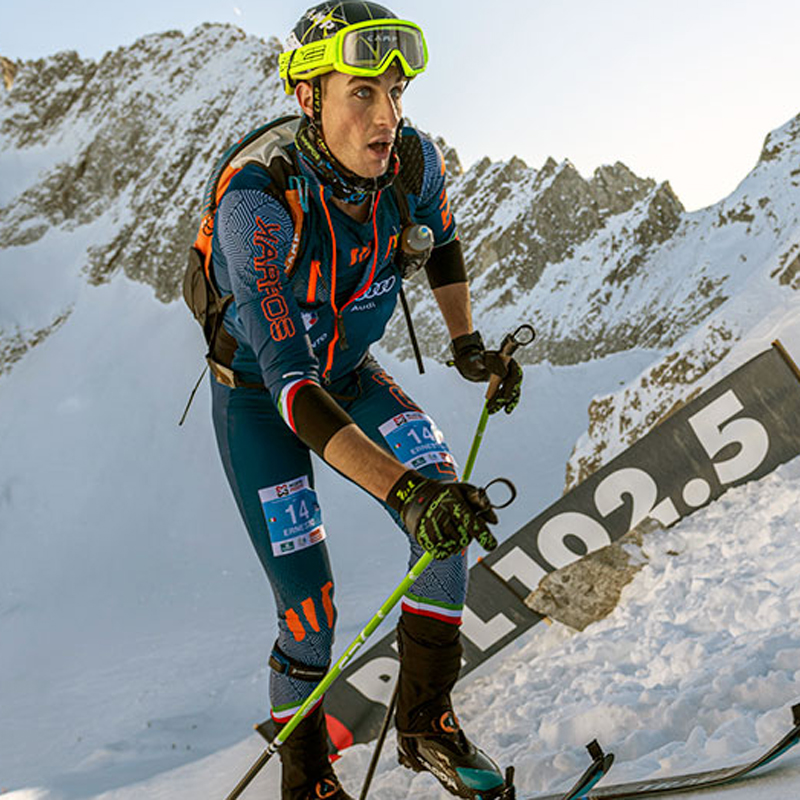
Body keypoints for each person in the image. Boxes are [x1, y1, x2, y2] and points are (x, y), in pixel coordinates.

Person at [205, 2, 523, 798]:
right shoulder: (258, 198)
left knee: (446, 516)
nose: (388, 117)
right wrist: (400, 492)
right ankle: (307, 779)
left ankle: (424, 723)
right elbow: (291, 387)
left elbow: (439, 238)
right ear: (309, 98)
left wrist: (465, 344)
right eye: (362, 95)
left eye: (396, 93)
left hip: (349, 371)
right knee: (310, 616)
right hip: (267, 402)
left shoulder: (412, 159)